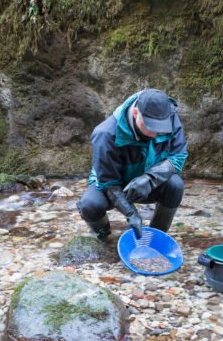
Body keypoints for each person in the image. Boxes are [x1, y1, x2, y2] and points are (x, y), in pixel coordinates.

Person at [77, 88, 188, 240]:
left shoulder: (168, 114)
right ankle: (103, 237)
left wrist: (149, 179)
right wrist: (130, 213)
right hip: (114, 186)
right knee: (89, 205)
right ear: (136, 113)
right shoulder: (104, 134)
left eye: (161, 128)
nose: (156, 133)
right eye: (151, 126)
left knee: (175, 185)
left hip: (149, 182)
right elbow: (109, 183)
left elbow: (178, 156)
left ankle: (157, 237)